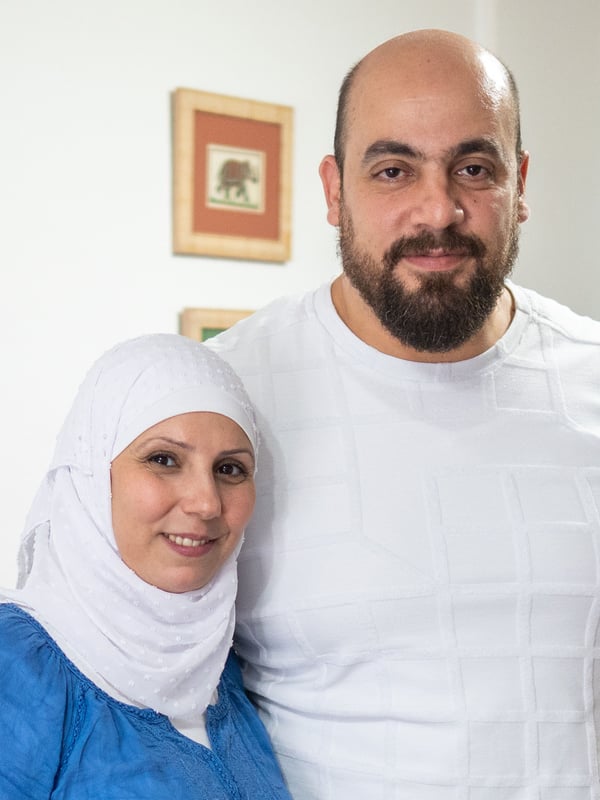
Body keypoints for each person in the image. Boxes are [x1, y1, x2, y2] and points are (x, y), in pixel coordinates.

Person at [208, 28, 600, 799]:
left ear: (519, 187)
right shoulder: (221, 403)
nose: (439, 209)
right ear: (333, 191)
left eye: (474, 168)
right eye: (393, 169)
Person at [0, 334, 291, 800]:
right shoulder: (14, 666)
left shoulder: (220, 664)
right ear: (92, 475)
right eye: (164, 459)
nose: (205, 502)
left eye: (230, 469)